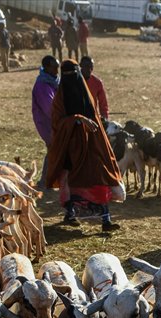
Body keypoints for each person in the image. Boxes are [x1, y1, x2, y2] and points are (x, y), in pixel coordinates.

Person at [44, 59, 122, 231]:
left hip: (90, 146)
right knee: (70, 181)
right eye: (67, 76)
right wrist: (77, 119)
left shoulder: (86, 95)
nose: (71, 79)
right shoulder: (60, 98)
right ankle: (70, 213)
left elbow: (96, 122)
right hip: (69, 146)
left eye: (73, 75)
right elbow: (57, 122)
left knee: (97, 178)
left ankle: (105, 220)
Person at [32, 55, 59, 188]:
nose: (57, 70)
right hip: (46, 122)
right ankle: (45, 181)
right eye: (55, 67)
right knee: (53, 148)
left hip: (53, 121)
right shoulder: (42, 85)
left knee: (54, 149)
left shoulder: (52, 81)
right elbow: (50, 108)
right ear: (47, 67)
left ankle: (49, 180)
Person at [79, 56, 108, 121]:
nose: (89, 69)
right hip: (77, 118)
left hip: (93, 117)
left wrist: (104, 118)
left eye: (91, 67)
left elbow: (103, 103)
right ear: (80, 66)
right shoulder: (73, 81)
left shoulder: (97, 83)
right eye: (86, 66)